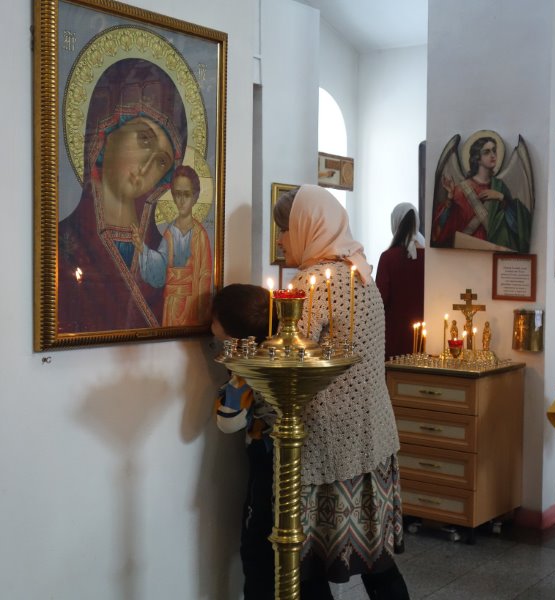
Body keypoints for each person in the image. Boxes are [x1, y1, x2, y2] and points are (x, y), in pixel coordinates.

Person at [273, 184, 410, 600]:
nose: (280, 240)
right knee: (376, 561)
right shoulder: (361, 273)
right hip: (372, 435)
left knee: (306, 562)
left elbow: (290, 368)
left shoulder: (312, 283)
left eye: (284, 229)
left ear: (306, 226)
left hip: (328, 444)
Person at [58, 58, 187, 333]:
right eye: (144, 139)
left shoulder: (162, 253)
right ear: (106, 131)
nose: (147, 167)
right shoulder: (60, 244)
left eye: (162, 161)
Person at [210, 284, 279, 600]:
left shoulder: (246, 365)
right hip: (299, 460)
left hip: (266, 460)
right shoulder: (281, 352)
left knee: (256, 546)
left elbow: (229, 421)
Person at [133, 165, 213, 326]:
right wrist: (142, 248)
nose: (181, 201)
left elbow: (205, 275)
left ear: (195, 197)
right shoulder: (170, 232)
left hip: (192, 304)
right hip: (171, 303)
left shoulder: (200, 235)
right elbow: (161, 266)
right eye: (177, 194)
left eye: (186, 195)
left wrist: (201, 309)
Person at [431, 135, 531, 252]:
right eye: (487, 152)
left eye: (494, 150)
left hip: (493, 254)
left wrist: (500, 197)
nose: (493, 155)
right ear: (477, 158)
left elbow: (518, 226)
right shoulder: (460, 190)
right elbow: (440, 232)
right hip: (464, 254)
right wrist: (450, 196)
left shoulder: (500, 187)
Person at [376, 203, 425, 359]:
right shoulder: (430, 257)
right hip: (425, 333)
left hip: (395, 335)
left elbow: (380, 299)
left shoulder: (388, 257)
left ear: (395, 223)